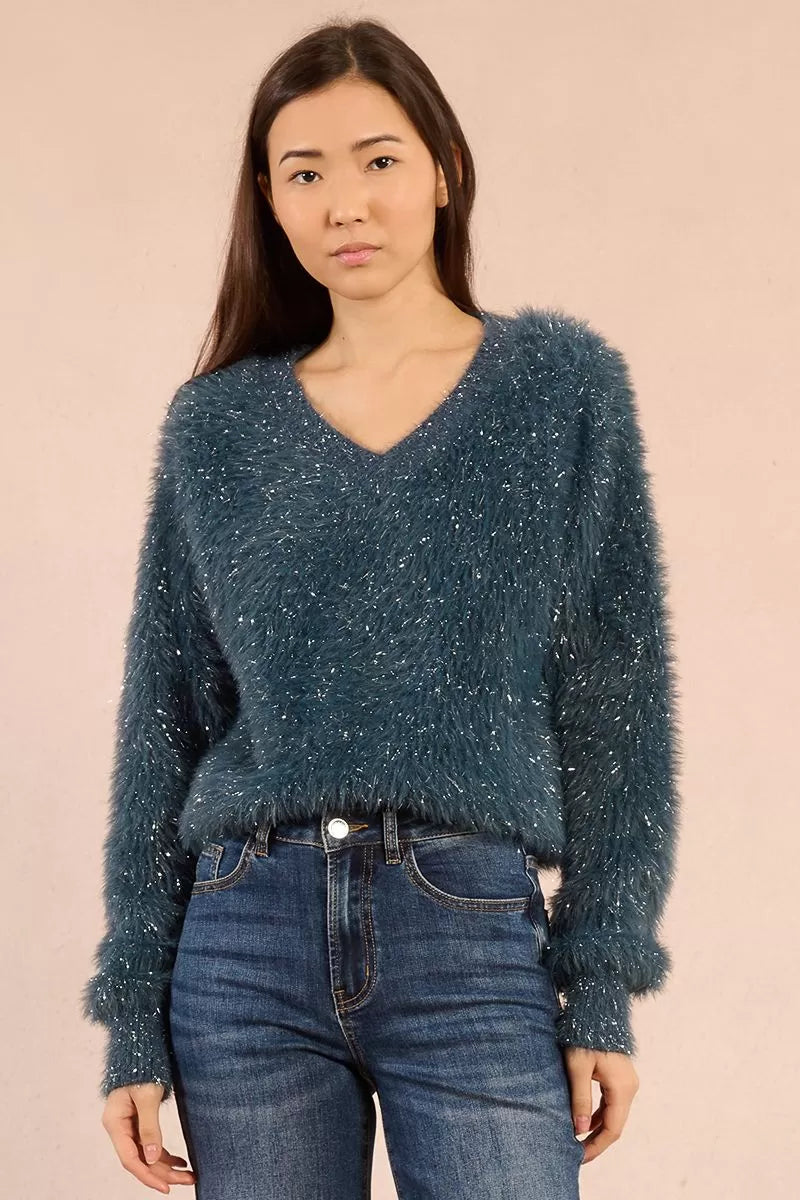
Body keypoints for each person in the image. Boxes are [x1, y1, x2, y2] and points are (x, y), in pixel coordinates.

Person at [81, 17, 681, 1200]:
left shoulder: (557, 392)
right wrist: (133, 1016)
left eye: (378, 160)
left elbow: (613, 702)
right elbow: (166, 718)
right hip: (241, 944)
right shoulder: (218, 427)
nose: (344, 204)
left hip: (467, 936)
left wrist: (600, 981)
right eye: (303, 174)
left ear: (443, 171)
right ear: (268, 198)